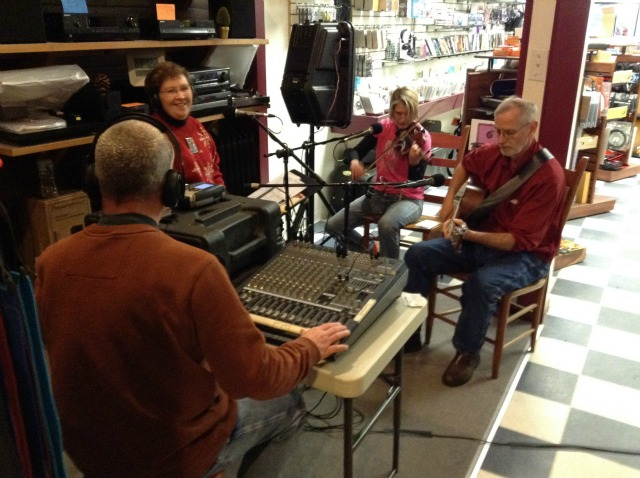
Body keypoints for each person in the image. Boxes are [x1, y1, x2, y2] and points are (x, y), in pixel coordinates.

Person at [34, 119, 351, 478]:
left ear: (94, 180)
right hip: (173, 457)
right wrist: (307, 347)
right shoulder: (194, 269)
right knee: (290, 401)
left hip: (91, 454)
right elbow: (257, 379)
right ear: (171, 185)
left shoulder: (50, 262)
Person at [403, 96, 566, 387]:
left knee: (481, 283)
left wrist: (466, 233)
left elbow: (517, 241)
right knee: (418, 254)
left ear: (532, 129)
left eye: (509, 133)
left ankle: (468, 353)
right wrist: (449, 202)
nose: (501, 140)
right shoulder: (494, 153)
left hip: (526, 255)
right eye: (497, 131)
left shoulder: (547, 177)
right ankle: (409, 332)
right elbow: (466, 164)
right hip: (480, 240)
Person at [325, 86, 432, 259]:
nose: (403, 119)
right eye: (398, 113)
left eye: (407, 113)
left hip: (408, 198)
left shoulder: (421, 137)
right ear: (391, 111)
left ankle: (388, 272)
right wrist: (354, 161)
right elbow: (355, 150)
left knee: (387, 225)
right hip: (377, 194)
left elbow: (416, 179)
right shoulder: (383, 128)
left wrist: (413, 162)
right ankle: (369, 250)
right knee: (332, 225)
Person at [145, 60, 225, 186]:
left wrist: (224, 197)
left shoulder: (196, 125)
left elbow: (214, 170)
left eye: (184, 88)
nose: (181, 96)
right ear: (156, 98)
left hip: (213, 201)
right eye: (171, 91)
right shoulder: (153, 135)